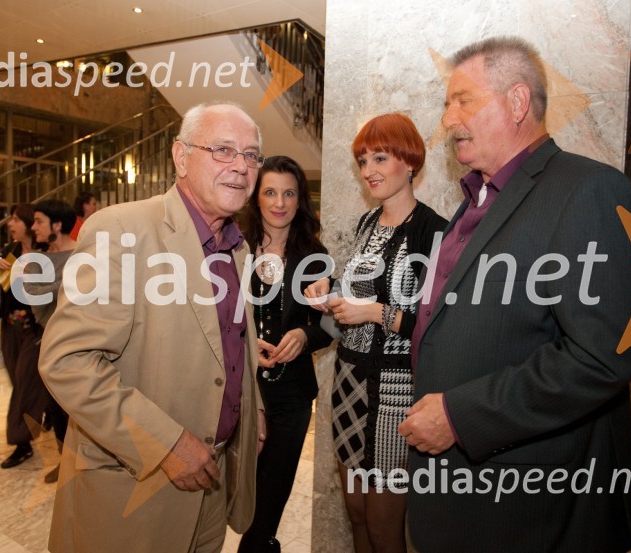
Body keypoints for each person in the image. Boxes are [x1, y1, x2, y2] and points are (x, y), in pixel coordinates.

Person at [398, 37, 631, 552]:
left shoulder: (588, 191)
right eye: (447, 104)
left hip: (526, 511)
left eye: (462, 100)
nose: (448, 119)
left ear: (516, 103)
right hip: (454, 495)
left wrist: (461, 416)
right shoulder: (469, 205)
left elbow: (602, 357)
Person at [38, 103, 267, 553]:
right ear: (181, 157)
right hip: (135, 489)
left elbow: (227, 344)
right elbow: (68, 362)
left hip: (212, 485)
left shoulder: (235, 247)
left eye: (252, 155)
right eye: (223, 150)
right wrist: (165, 444)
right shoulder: (122, 230)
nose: (241, 166)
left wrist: (249, 408)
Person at [305, 113, 447, 553]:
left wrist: (372, 313)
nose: (369, 171)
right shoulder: (367, 224)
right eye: (363, 160)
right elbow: (356, 298)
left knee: (386, 527)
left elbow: (436, 324)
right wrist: (328, 293)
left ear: (409, 161)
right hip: (349, 382)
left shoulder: (433, 232)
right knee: (357, 512)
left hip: (396, 390)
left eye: (380, 158)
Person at [237, 156, 331, 553]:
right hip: (240, 392)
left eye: (289, 193)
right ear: (256, 198)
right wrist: (245, 342)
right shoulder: (234, 248)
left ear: (300, 200)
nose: (280, 202)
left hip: (291, 398)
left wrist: (303, 335)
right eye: (270, 192)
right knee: (233, 500)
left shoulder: (314, 255)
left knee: (267, 506)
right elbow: (214, 317)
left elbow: (328, 327)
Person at [0, 203, 51, 469]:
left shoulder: (45, 254)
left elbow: (46, 294)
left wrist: (25, 276)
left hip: (34, 330)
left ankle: (21, 442)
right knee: (20, 380)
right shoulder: (10, 252)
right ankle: (50, 409)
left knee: (25, 385)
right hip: (10, 327)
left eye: (16, 219)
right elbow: (0, 293)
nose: (10, 224)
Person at [28, 199, 77, 483]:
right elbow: (35, 301)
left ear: (56, 225)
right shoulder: (38, 261)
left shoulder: (85, 254)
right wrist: (71, 287)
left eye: (39, 221)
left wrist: (54, 291)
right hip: (50, 343)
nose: (34, 227)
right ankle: (65, 462)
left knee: (80, 412)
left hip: (80, 345)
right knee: (56, 411)